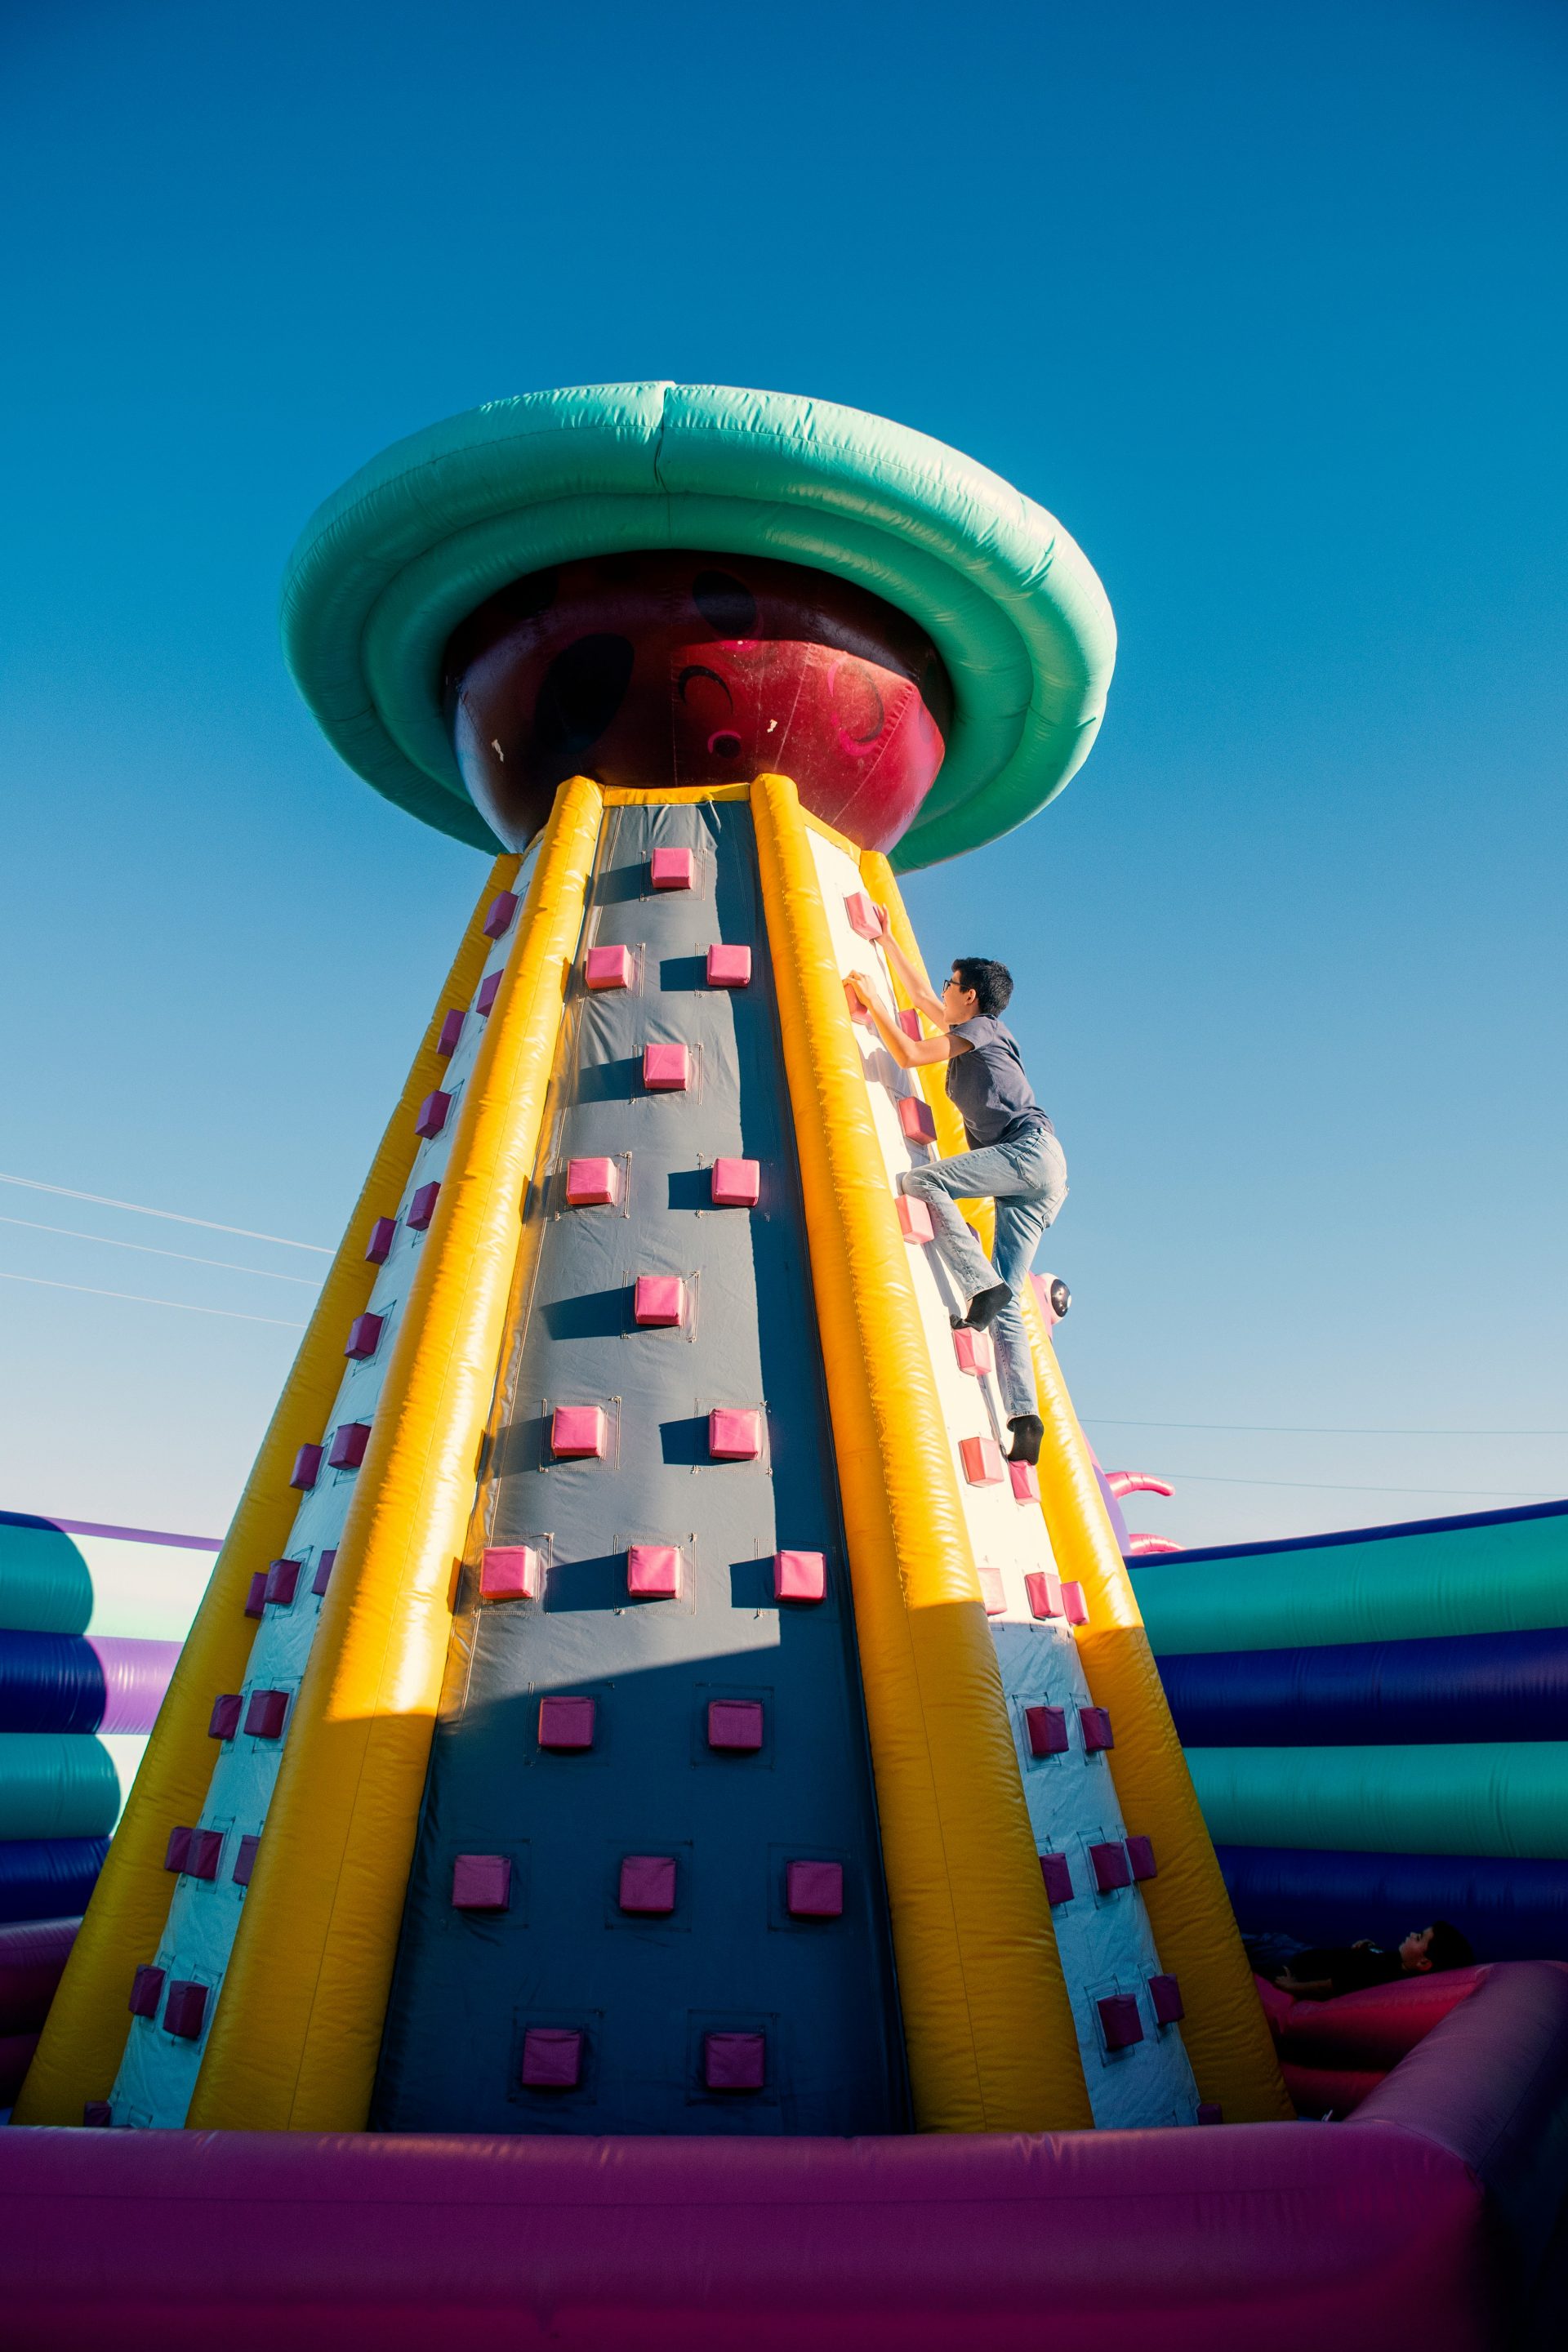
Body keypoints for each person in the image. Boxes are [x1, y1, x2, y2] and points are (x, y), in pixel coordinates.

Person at [845, 926, 1067, 1467]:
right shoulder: (980, 1029)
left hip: (1029, 1153)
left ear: (970, 995)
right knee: (1010, 1304)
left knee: (925, 1181)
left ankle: (979, 1286)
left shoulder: (985, 1029)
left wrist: (872, 1000)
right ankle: (1024, 1419)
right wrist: (888, 941)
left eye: (952, 983)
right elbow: (922, 998)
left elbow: (914, 1051)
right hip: (1045, 1176)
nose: (943, 990)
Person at [1244, 1922, 1475, 2001]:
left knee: (1242, 1945)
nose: (1413, 1934)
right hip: (1306, 1952)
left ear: (1424, 1963)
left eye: (1420, 1938)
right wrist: (1369, 1947)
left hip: (1295, 1963)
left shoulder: (1387, 1977)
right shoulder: (1396, 1962)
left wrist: (1291, 1986)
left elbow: (1331, 1986)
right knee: (1263, 1939)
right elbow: (1375, 1960)